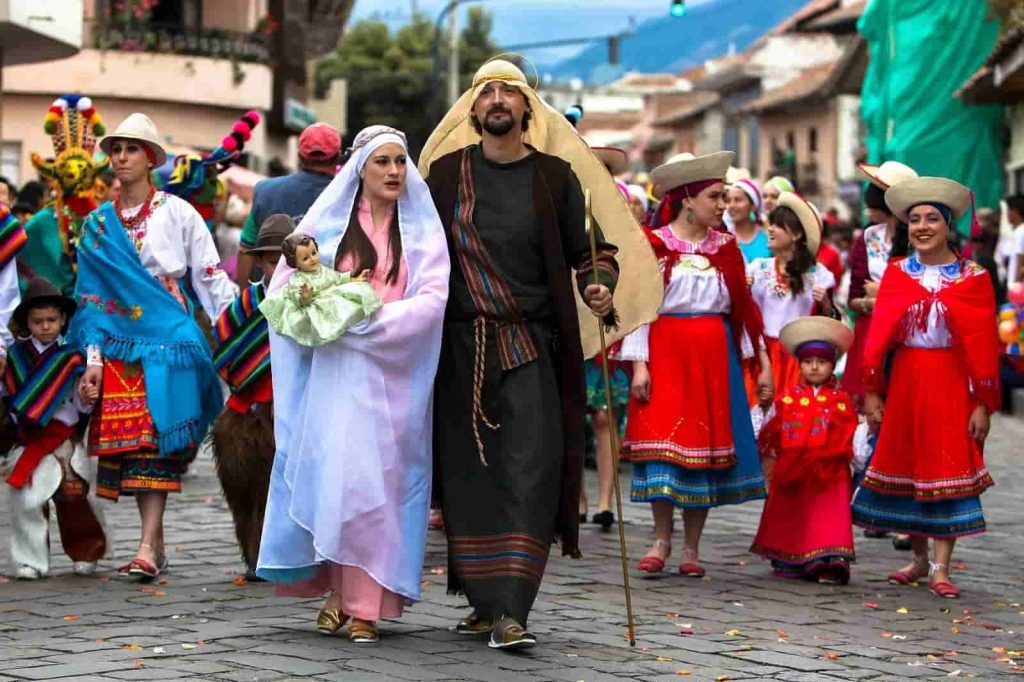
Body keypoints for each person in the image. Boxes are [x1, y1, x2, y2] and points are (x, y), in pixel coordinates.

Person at [419, 59, 633, 651]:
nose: (496, 100)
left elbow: (597, 249)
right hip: (459, 351)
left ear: (526, 109)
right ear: (472, 109)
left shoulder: (556, 177)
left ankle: (513, 607)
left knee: (530, 472)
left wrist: (598, 282)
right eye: (486, 91)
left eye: (507, 92)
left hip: (532, 347)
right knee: (470, 477)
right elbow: (413, 249)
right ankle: (484, 601)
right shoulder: (441, 176)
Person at [257, 125, 449, 645]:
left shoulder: (421, 232)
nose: (392, 171)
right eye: (381, 161)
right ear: (359, 168)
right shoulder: (332, 227)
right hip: (336, 376)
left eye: (399, 162)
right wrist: (317, 307)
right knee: (338, 481)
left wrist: (369, 321)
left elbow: (433, 299)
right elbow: (286, 287)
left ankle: (367, 602)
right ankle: (340, 594)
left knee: (381, 489)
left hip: (396, 378)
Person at [71, 112, 237, 579]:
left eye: (130, 150)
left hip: (169, 338)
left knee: (155, 435)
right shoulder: (97, 225)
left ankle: (145, 544)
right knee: (135, 440)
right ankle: (154, 543)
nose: (121, 158)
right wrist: (93, 358)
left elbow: (209, 276)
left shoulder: (178, 213)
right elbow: (89, 299)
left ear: (150, 159)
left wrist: (240, 329)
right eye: (115, 150)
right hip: (117, 343)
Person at [620, 151, 770, 579]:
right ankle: (661, 538)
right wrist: (640, 366)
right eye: (715, 196)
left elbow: (741, 313)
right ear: (687, 200)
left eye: (724, 196)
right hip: (666, 352)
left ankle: (691, 547)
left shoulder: (726, 249)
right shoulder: (655, 245)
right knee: (665, 448)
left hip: (711, 357)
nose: (722, 204)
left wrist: (759, 363)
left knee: (703, 452)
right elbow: (639, 309)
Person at [853, 177, 1000, 599]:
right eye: (914, 219)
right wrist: (874, 393)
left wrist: (982, 404)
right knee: (910, 467)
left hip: (953, 382)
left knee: (945, 466)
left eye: (931, 218)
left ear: (947, 225)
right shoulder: (898, 275)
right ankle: (918, 559)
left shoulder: (972, 277)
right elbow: (880, 339)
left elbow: (983, 345)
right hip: (908, 379)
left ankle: (940, 566)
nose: (921, 226)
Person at [0, 278, 106, 580]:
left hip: (64, 439)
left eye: (51, 320)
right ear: (26, 323)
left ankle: (87, 550)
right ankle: (29, 560)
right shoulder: (15, 357)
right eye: (38, 321)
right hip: (27, 440)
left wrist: (87, 399)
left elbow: (81, 405)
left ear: (63, 321)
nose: (45, 326)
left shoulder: (73, 357)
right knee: (25, 500)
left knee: (75, 494)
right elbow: (7, 397)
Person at [210, 214, 290, 582]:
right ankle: (256, 555)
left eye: (288, 260)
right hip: (247, 411)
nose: (280, 269)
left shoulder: (312, 302)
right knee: (247, 489)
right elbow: (226, 350)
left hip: (295, 412)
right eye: (273, 261)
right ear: (259, 262)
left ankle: (293, 556)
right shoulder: (244, 305)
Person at [751, 316, 857, 584]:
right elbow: (771, 430)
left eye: (821, 362)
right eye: (808, 362)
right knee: (795, 511)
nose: (814, 367)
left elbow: (850, 432)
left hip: (830, 469)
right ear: (799, 364)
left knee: (827, 513)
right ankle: (792, 556)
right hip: (793, 466)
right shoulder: (787, 399)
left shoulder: (841, 400)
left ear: (832, 366)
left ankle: (830, 556)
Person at [747, 192, 835, 410]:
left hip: (799, 359)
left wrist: (825, 304)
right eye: (771, 224)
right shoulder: (758, 269)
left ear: (796, 234)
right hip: (762, 354)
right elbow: (749, 316)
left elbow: (829, 322)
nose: (770, 229)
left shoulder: (817, 275)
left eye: (777, 225)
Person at [841, 161, 917, 408]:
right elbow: (854, 293)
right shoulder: (868, 238)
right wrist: (870, 302)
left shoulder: (919, 240)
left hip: (908, 334)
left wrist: (881, 294)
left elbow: (921, 290)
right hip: (870, 330)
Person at [236, 123, 341, 285]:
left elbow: (246, 249)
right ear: (338, 156)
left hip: (272, 298)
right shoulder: (351, 196)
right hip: (329, 300)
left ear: (300, 156)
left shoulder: (265, 191)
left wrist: (244, 299)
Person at [259, 231, 381, 347]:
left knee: (357, 290)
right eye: (305, 258)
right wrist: (304, 298)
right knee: (331, 306)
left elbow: (337, 278)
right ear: (295, 263)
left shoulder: (322, 269)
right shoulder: (298, 279)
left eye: (314, 253)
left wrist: (355, 279)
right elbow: (296, 296)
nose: (312, 259)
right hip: (316, 304)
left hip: (330, 297)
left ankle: (358, 323)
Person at [727, 178, 771, 262]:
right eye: (728, 201)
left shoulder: (768, 236)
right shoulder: (724, 239)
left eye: (738, 200)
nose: (731, 206)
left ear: (753, 206)